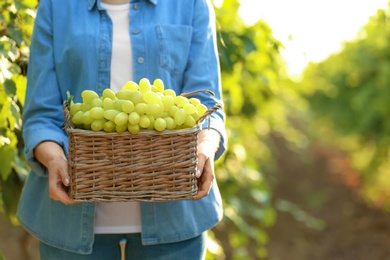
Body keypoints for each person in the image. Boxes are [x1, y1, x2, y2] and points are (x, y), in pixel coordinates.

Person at [17, 0, 227, 259]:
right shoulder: (55, 6)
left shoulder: (191, 4)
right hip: (68, 221)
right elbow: (41, 115)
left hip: (176, 219)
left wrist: (205, 147)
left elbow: (207, 107)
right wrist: (53, 158)